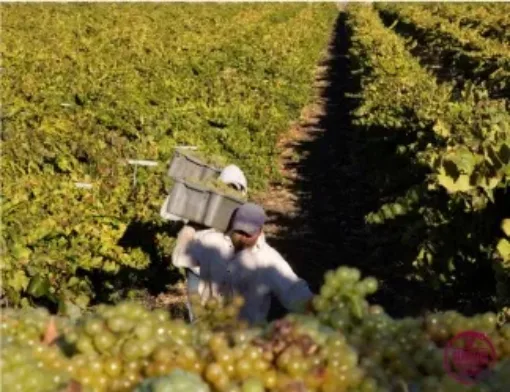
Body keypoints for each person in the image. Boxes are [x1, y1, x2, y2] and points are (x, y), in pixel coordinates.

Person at [172, 202, 314, 325]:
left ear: (260, 231)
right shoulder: (210, 241)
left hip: (245, 337)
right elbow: (180, 259)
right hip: (207, 326)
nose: (243, 238)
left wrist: (316, 306)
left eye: (249, 234)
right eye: (239, 231)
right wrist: (188, 231)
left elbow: (293, 290)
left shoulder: (268, 261)